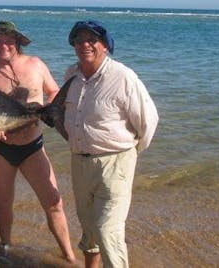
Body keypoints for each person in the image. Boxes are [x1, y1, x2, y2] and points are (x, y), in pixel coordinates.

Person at [61, 20, 158, 268]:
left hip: (115, 163)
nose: (84, 44)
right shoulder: (71, 75)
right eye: (79, 39)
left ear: (105, 45)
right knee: (89, 228)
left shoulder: (123, 77)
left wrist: (128, 153)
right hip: (80, 163)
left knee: (108, 231)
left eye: (91, 39)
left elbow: (148, 121)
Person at [0, 21, 77, 264]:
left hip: (33, 147)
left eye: (9, 40)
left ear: (18, 42)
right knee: (3, 203)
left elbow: (54, 92)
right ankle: (6, 250)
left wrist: (48, 111)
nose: (4, 44)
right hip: (2, 150)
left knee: (54, 203)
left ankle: (69, 256)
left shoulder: (35, 64)